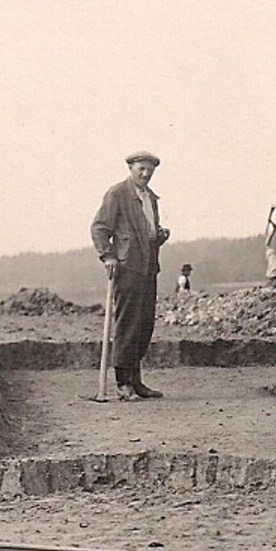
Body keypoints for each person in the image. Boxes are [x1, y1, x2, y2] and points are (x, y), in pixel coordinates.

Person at [91, 150, 170, 400]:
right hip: (127, 268)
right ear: (131, 168)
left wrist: (158, 236)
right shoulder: (117, 194)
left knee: (144, 326)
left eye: (150, 170)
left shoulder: (150, 198)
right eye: (141, 169)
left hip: (148, 268)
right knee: (128, 325)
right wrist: (108, 256)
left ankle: (136, 382)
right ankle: (123, 384)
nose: (146, 174)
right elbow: (100, 228)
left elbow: (146, 233)